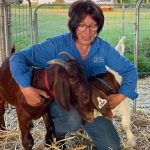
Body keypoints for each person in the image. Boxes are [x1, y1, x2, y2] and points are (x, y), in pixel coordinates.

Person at [9, 0, 138, 149]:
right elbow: (17, 58)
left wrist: (121, 96)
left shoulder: (102, 48)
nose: (87, 31)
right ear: (73, 25)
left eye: (93, 25)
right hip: (64, 99)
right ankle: (57, 135)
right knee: (72, 119)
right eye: (82, 25)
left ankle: (86, 124)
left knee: (111, 146)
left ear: (98, 27)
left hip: (92, 100)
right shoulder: (57, 45)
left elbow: (130, 71)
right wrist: (26, 88)